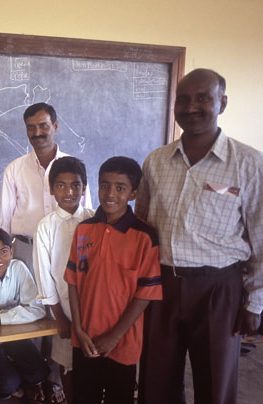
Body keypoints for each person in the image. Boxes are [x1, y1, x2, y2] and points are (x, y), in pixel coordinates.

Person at [136, 69, 263, 404]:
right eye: (183, 99)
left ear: (221, 103)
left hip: (219, 290)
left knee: (215, 383)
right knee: (156, 379)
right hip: (162, 287)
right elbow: (141, 227)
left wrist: (256, 302)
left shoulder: (250, 163)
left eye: (202, 98)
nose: (191, 106)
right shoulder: (156, 162)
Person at [64, 156, 161, 404]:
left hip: (123, 341)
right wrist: (77, 328)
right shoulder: (84, 230)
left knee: (120, 397)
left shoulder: (145, 236)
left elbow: (145, 295)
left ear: (134, 193)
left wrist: (115, 336)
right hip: (84, 338)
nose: (110, 194)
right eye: (104, 185)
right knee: (84, 396)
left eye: (120, 188)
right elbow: (73, 281)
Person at [0, 228, 61, 404]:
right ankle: (11, 388)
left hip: (13, 334)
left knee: (38, 371)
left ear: (11, 252)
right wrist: (17, 314)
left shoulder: (19, 267)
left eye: (4, 252)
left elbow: (37, 309)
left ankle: (29, 385)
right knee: (7, 383)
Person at [0, 103, 91, 272]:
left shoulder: (73, 167)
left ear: (55, 126)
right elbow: (5, 224)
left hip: (68, 248)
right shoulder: (13, 169)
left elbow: (86, 213)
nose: (37, 133)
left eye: (43, 126)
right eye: (31, 128)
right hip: (26, 252)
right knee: (30, 299)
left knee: (68, 297)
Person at [32, 156, 94, 403]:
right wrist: (58, 315)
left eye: (75, 185)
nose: (68, 192)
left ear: (84, 187)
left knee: (94, 359)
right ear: (51, 189)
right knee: (68, 363)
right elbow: (43, 273)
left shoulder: (94, 219)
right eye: (61, 185)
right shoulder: (46, 226)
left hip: (94, 306)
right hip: (65, 309)